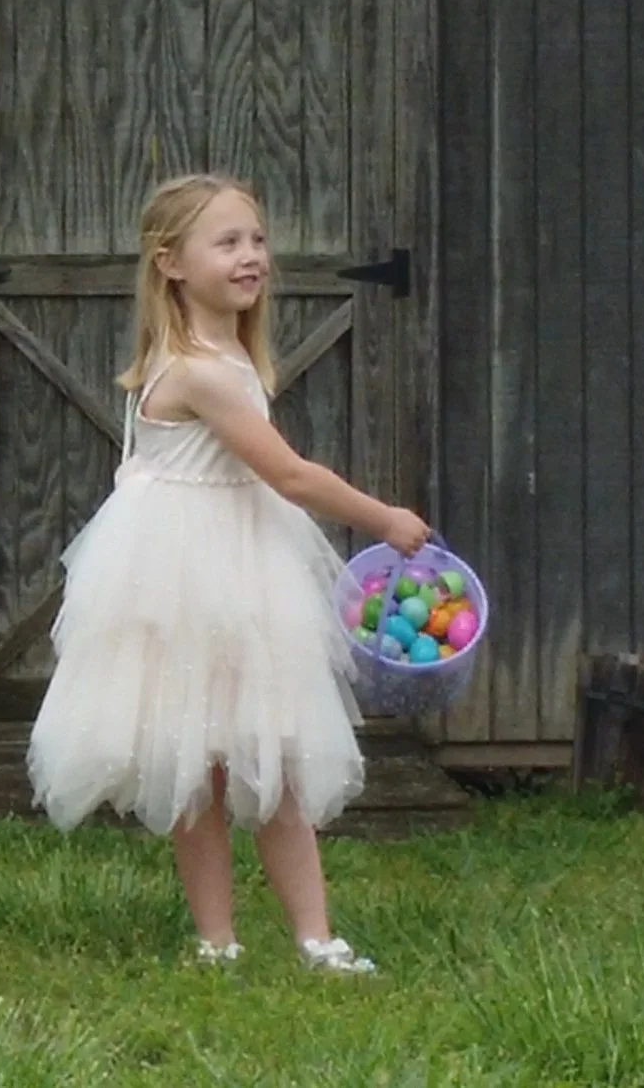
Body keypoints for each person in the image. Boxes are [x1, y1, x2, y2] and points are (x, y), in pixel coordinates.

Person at [26, 173, 430, 975]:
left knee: (266, 753)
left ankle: (311, 938)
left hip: (238, 564)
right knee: (197, 766)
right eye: (228, 242)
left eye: (256, 239)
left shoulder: (222, 356)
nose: (251, 256)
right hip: (188, 579)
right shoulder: (200, 371)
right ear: (170, 263)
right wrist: (384, 519)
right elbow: (290, 476)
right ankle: (223, 941)